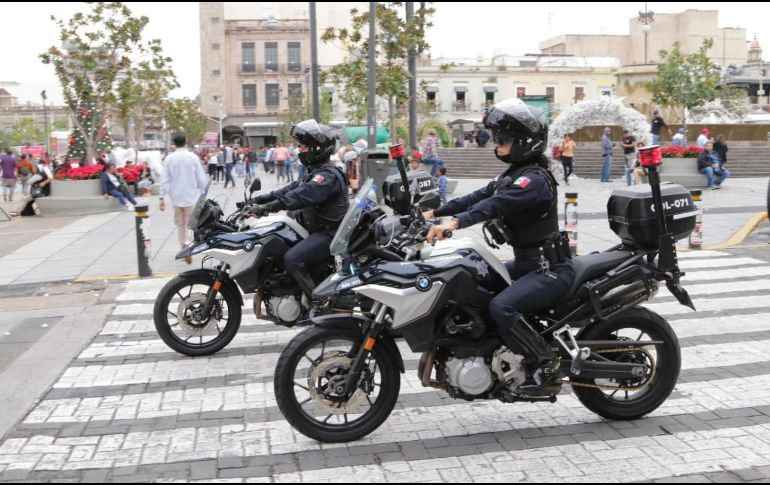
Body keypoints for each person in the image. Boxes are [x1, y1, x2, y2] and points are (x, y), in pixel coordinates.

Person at [423, 98, 575, 396]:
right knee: (474, 282)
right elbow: (475, 197)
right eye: (497, 137)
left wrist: (455, 224)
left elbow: (495, 204)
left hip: (550, 269)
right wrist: (433, 213)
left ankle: (544, 364)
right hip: (529, 264)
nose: (498, 144)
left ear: (525, 141)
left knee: (501, 305)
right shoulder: (512, 174)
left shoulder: (534, 180)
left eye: (503, 138)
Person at [248, 119, 349, 304]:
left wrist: (268, 208)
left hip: (330, 234)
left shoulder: (328, 176)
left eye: (303, 147)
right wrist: (260, 200)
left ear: (317, 148)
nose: (299, 150)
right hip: (317, 230)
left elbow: (301, 195)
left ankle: (319, 301)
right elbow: (290, 189)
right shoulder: (316, 172)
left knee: (292, 258)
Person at [160, 133, 208, 264]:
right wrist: (204, 193)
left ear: (174, 143)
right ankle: (187, 242)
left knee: (180, 223)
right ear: (185, 141)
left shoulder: (169, 158)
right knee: (190, 223)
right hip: (190, 196)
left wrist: (161, 197)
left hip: (175, 197)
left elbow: (164, 179)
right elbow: (200, 177)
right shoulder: (192, 157)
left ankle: (183, 244)